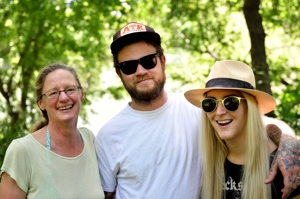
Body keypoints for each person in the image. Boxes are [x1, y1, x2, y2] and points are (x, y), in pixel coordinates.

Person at [94, 22, 300, 199]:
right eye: (129, 66)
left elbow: (262, 126)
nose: (141, 71)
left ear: (163, 61)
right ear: (118, 73)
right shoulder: (108, 136)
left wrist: (290, 147)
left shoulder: (198, 112)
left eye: (148, 61)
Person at [184, 60, 300, 198]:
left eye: (230, 102)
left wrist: (290, 143)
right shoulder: (206, 160)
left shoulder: (284, 166)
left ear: (252, 106)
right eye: (210, 103)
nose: (219, 112)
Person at [0, 64, 105, 199]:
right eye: (53, 93)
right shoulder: (22, 150)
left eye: (70, 89)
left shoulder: (89, 139)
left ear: (82, 94)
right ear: (41, 104)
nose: (63, 98)